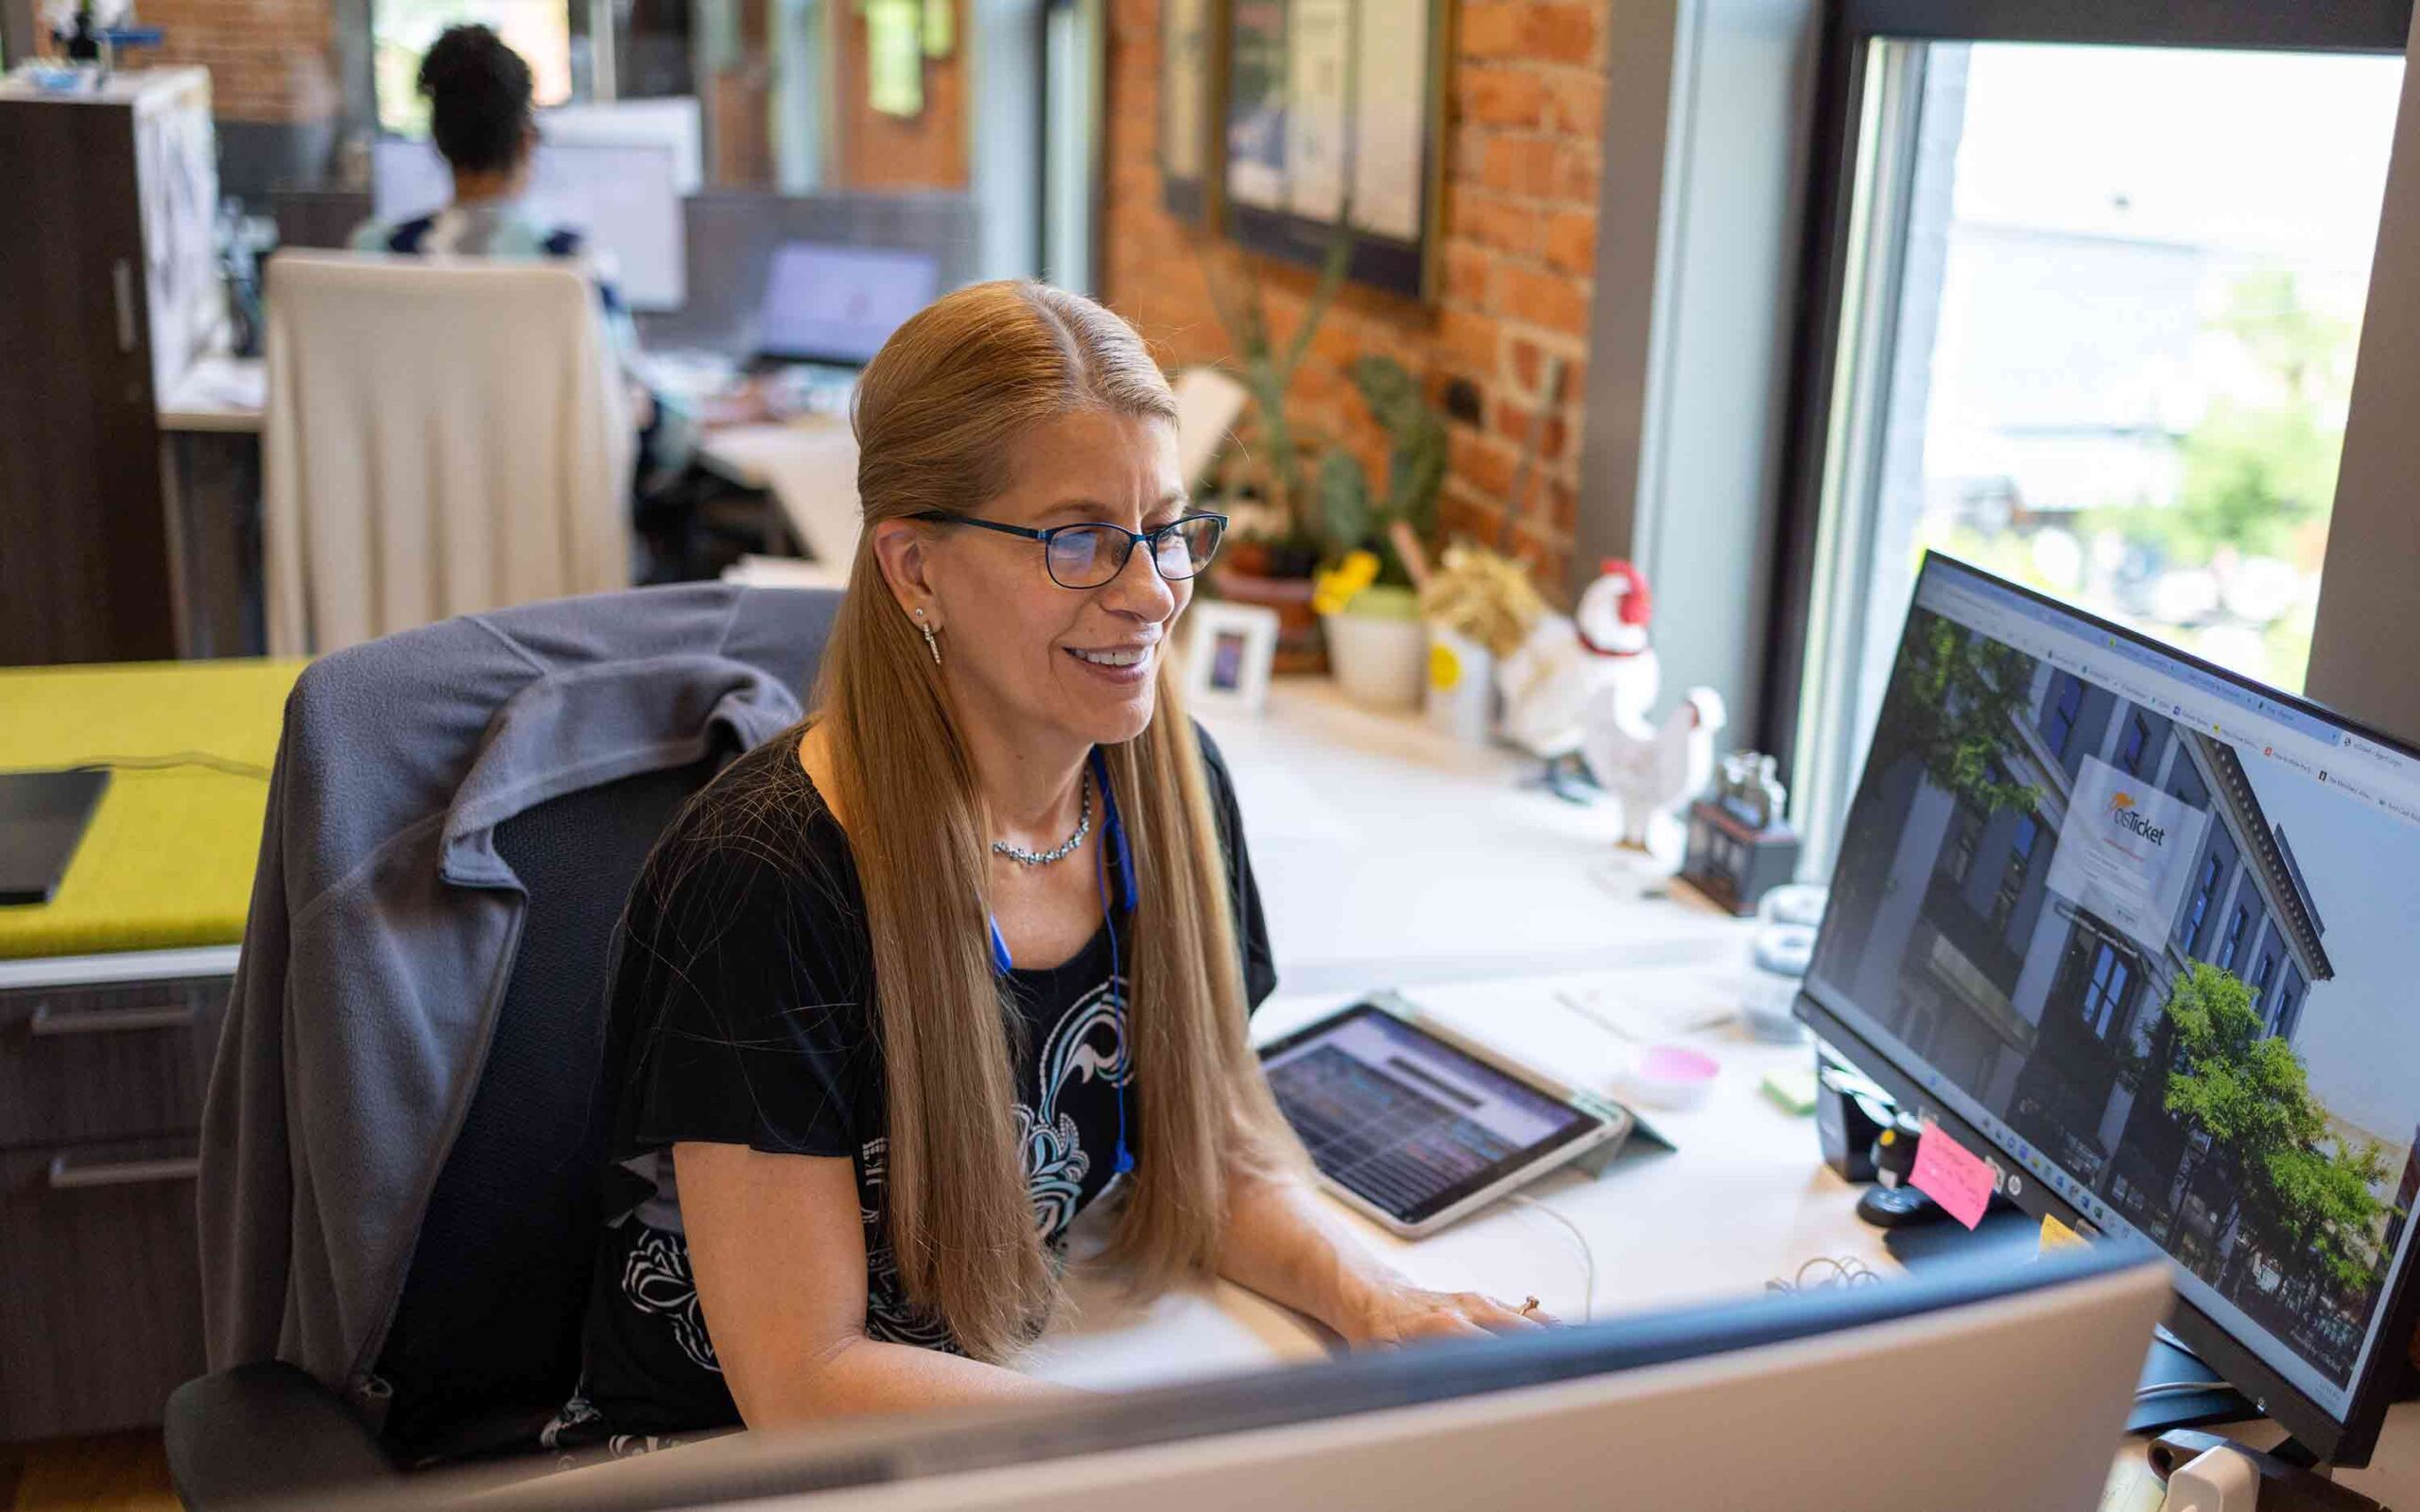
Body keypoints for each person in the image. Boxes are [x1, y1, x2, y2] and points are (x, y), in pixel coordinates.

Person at [544, 283, 1548, 1453]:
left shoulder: (1163, 788)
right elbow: (803, 1382)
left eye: (1167, 529)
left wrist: (1379, 1302)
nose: (1152, 591)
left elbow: (1210, 1148)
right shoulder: (769, 880)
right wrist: (1180, 1445)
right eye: (1078, 541)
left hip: (979, 1424)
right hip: (723, 1468)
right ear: (914, 571)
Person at [348, 25, 695, 505]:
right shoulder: (569, 263)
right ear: (527, 139)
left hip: (409, 527)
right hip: (553, 542)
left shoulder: (373, 254)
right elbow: (636, 419)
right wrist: (695, 416)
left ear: (437, 142)